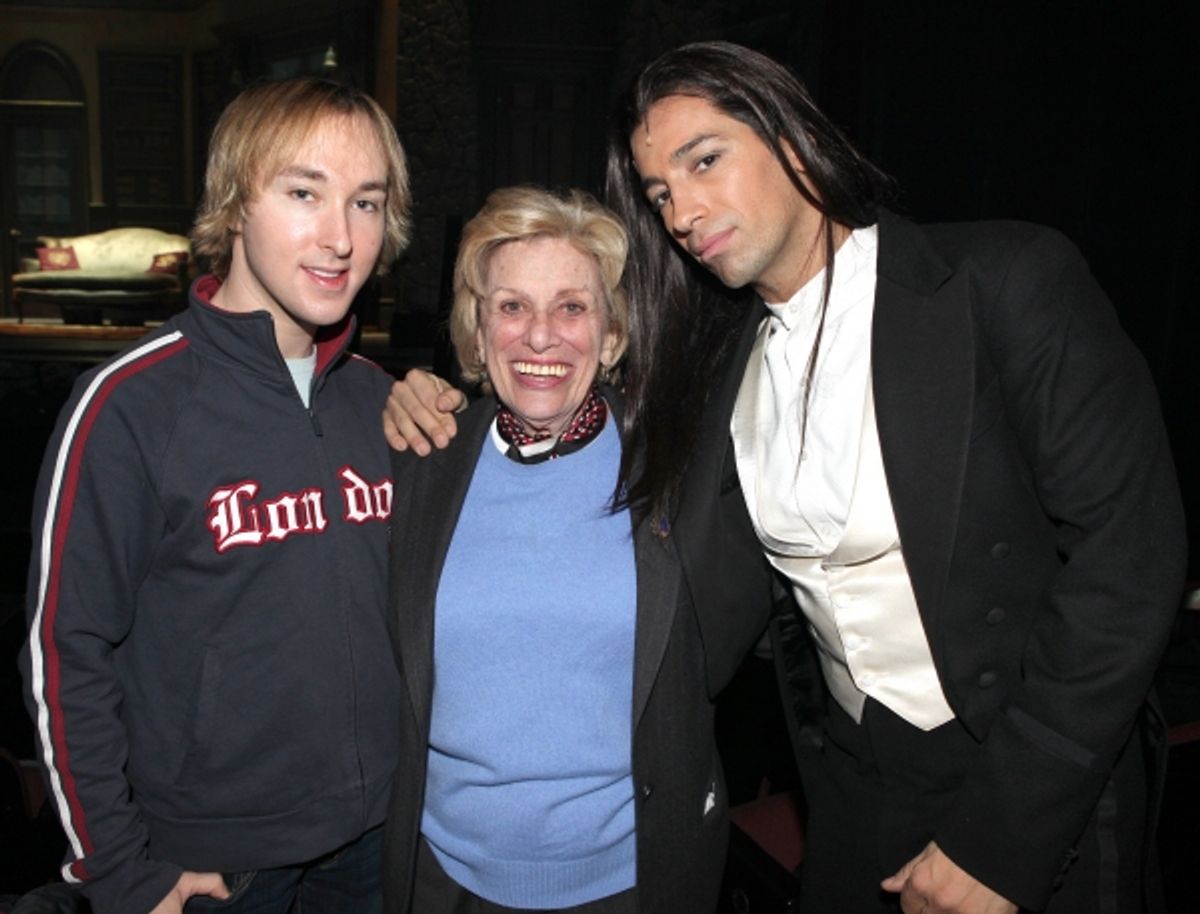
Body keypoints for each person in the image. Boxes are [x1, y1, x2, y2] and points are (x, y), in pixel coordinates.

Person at [383, 41, 1187, 914]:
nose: (683, 210)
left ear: (795, 141)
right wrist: (412, 399)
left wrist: (1003, 837)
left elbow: (1130, 561)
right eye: (661, 193)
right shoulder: (719, 374)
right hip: (852, 792)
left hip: (1033, 777)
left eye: (705, 160)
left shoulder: (1001, 283)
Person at [20, 77, 411, 914]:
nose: (341, 237)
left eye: (367, 203)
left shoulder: (381, 402)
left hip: (381, 841)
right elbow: (63, 656)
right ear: (235, 203)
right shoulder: (130, 406)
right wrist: (118, 869)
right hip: (218, 867)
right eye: (304, 192)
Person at [382, 186, 751, 914]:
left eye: (572, 307)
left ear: (612, 335)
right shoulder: (423, 459)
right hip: (443, 881)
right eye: (512, 306)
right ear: (477, 329)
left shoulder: (675, 465)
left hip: (630, 884)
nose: (541, 336)